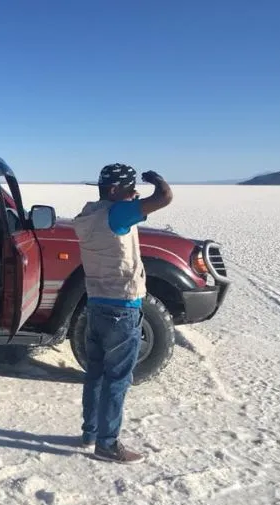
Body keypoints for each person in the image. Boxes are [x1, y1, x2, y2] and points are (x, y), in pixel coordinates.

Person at [71, 163, 173, 464]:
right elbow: (165, 197)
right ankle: (107, 444)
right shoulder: (117, 214)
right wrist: (156, 179)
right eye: (130, 189)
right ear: (114, 190)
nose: (134, 194)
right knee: (117, 378)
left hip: (96, 304)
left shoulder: (89, 216)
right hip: (122, 306)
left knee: (96, 374)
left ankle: (90, 433)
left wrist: (131, 194)